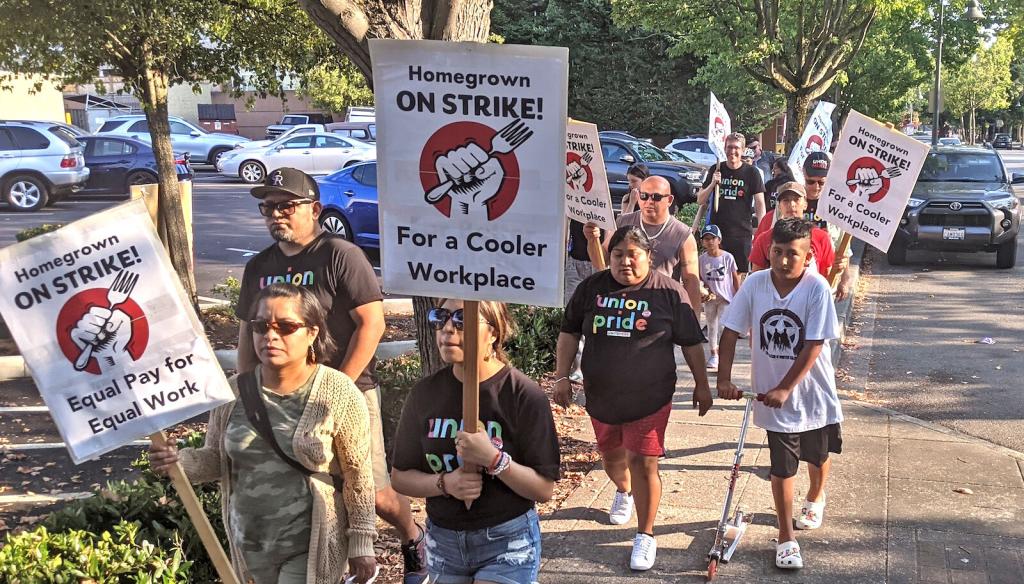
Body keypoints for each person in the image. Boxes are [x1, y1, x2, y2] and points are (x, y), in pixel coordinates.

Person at [235, 167, 428, 582]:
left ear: (314, 209)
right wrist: (244, 393)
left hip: (348, 391)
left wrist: (337, 388)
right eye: (268, 207)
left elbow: (372, 324)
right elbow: (245, 335)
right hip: (280, 397)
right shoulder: (258, 268)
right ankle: (331, 564)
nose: (276, 215)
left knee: (370, 491)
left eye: (286, 205)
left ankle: (413, 537)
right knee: (310, 487)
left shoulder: (339, 255)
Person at [149, 284, 377, 584]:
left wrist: (361, 541)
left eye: (285, 326)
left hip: (309, 546)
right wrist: (177, 461)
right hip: (249, 545)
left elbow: (357, 473)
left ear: (312, 332)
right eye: (260, 326)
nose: (270, 336)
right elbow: (217, 459)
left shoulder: (338, 392)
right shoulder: (233, 392)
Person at [554, 225, 712, 572]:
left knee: (644, 462)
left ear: (649, 257)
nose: (625, 261)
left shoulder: (668, 293)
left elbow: (690, 342)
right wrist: (562, 376)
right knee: (612, 459)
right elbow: (569, 331)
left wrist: (702, 385)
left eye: (633, 254)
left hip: (650, 396)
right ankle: (623, 491)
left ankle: (646, 534)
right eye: (618, 254)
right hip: (602, 396)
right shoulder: (591, 289)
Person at [391, 299, 560, 584]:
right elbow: (400, 477)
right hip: (443, 542)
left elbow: (543, 489)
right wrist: (445, 483)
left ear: (493, 333)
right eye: (440, 318)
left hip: (507, 541)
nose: (447, 329)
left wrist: (495, 460)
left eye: (461, 320)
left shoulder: (523, 395)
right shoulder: (424, 394)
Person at [717, 218, 844, 571]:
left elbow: (814, 344)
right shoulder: (756, 284)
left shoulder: (816, 288)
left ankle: (816, 495)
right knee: (782, 467)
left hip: (812, 394)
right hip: (771, 397)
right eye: (777, 252)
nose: (784, 260)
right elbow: (730, 331)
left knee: (817, 456)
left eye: (792, 254)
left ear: (808, 256)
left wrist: (787, 387)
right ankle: (786, 536)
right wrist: (724, 378)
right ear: (768, 250)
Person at [588, 175, 702, 311]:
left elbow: (691, 281)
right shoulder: (623, 222)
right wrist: (592, 239)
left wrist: (693, 323)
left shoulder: (682, 234)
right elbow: (601, 262)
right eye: (644, 196)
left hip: (660, 308)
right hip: (622, 305)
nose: (649, 201)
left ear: (669, 200)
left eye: (656, 197)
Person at [696, 133, 766, 275]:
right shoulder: (716, 169)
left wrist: (762, 228)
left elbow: (760, 203)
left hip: (741, 234)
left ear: (743, 149)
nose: (732, 151)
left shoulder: (752, 172)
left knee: (738, 276)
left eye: (736, 148)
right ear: (724, 148)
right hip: (718, 233)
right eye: (729, 147)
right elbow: (700, 200)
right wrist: (712, 184)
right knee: (715, 275)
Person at [748, 182, 835, 278]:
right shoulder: (764, 238)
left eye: (796, 199)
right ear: (779, 206)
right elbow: (756, 277)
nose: (791, 204)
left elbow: (826, 276)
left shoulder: (821, 237)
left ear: (805, 204)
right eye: (786, 200)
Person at [801, 152, 854, 300]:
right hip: (797, 277)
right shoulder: (791, 200)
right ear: (803, 173)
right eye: (810, 182)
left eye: (821, 182)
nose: (816, 187)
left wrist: (845, 280)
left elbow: (843, 246)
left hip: (826, 278)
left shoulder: (837, 205)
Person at [698, 224, 740, 371]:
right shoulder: (702, 259)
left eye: (712, 238)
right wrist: (702, 291)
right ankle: (713, 354)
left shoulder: (727, 257)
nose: (709, 242)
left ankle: (723, 354)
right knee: (711, 326)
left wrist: (738, 297)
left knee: (723, 326)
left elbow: (735, 278)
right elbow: (699, 278)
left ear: (719, 239)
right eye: (706, 239)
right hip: (710, 299)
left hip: (726, 298)